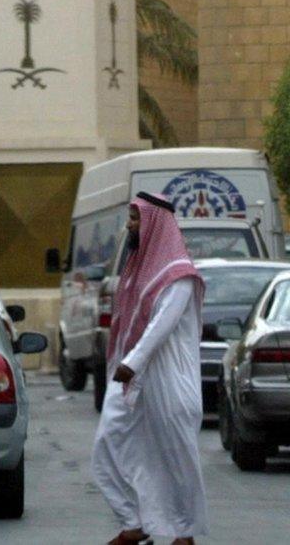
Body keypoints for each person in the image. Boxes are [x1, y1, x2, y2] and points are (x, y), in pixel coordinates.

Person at [92, 192, 208, 545]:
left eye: (135, 218)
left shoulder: (179, 276)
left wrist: (131, 363)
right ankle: (133, 521)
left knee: (174, 459)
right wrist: (124, 365)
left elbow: (160, 326)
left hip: (169, 379)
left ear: (155, 223)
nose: (129, 225)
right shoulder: (138, 272)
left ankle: (183, 533)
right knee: (108, 444)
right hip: (131, 379)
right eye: (130, 217)